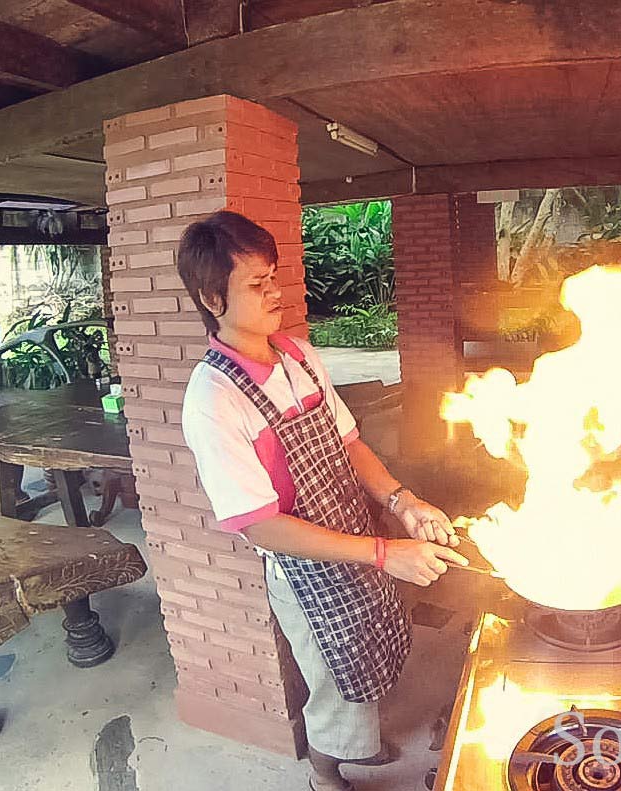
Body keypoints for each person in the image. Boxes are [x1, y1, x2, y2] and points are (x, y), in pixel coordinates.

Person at [177, 210, 468, 790]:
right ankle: (326, 773)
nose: (275, 293)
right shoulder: (212, 400)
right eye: (255, 285)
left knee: (371, 651)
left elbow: (348, 441)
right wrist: (386, 554)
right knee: (332, 678)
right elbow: (260, 525)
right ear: (214, 298)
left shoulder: (299, 356)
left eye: (273, 277)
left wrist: (403, 500)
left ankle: (361, 741)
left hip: (360, 538)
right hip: (305, 569)